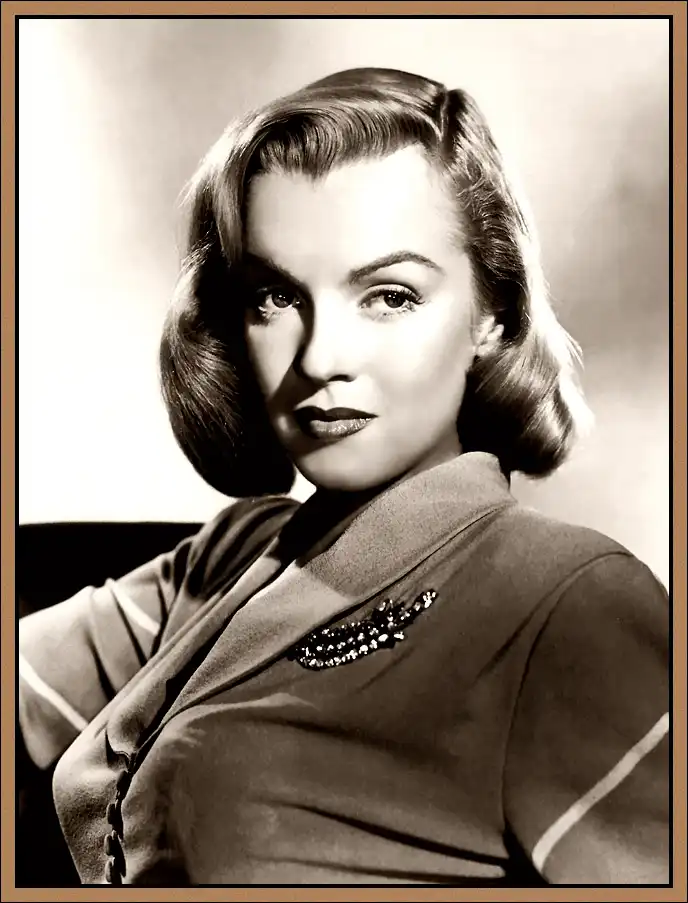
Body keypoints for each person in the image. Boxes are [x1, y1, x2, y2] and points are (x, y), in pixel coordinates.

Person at [18, 67, 669, 886]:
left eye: (389, 296)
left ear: (491, 314)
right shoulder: (235, 554)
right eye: (274, 296)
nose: (322, 357)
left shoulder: (573, 601)